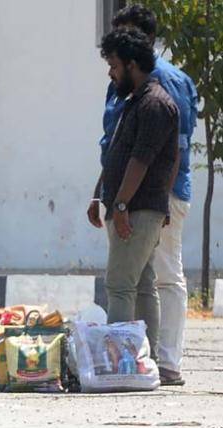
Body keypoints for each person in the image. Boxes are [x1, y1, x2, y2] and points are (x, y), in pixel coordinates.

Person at [89, 5, 198, 386]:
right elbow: (116, 147)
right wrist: (100, 193)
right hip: (129, 202)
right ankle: (146, 361)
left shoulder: (156, 98)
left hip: (141, 204)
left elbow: (149, 158)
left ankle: (129, 366)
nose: (110, 72)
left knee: (126, 284)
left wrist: (122, 204)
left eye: (115, 65)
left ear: (135, 60)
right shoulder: (132, 97)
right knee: (144, 282)